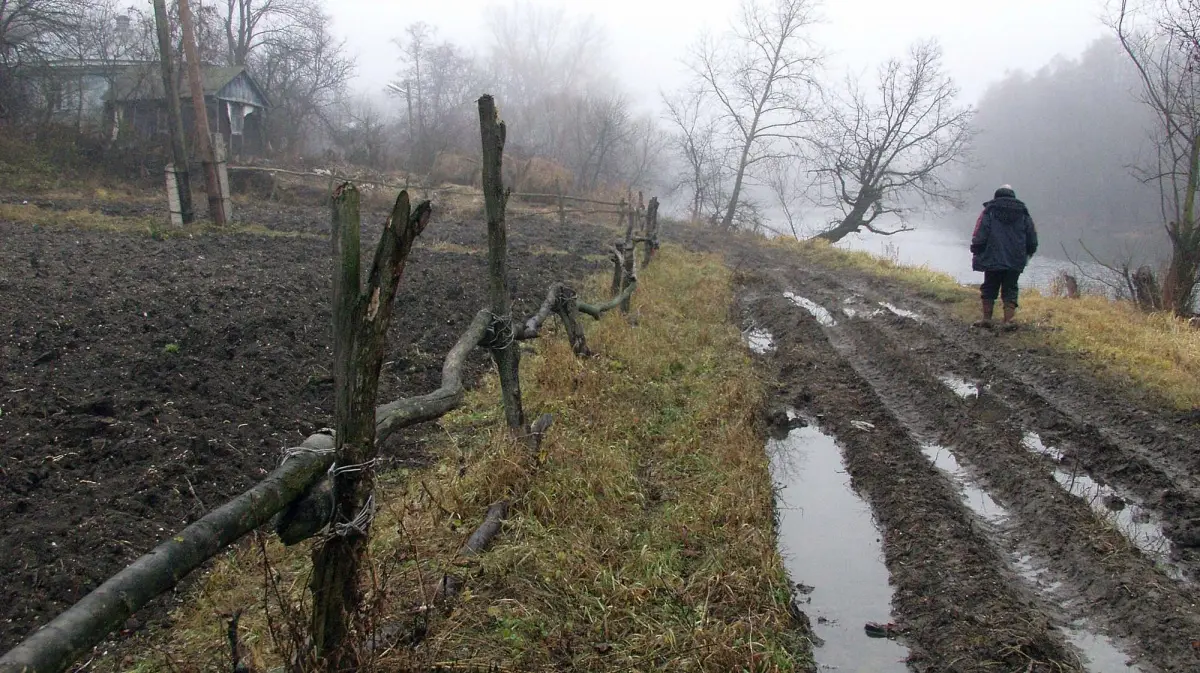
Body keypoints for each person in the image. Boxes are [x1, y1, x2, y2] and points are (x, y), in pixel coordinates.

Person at [970, 185, 1038, 331]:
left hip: (992, 256)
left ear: (996, 197)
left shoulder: (989, 212)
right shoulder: (1023, 213)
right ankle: (1008, 320)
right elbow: (1032, 237)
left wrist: (976, 249)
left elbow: (980, 233)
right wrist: (1029, 252)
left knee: (989, 286)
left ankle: (987, 319)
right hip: (1016, 258)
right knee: (1011, 287)